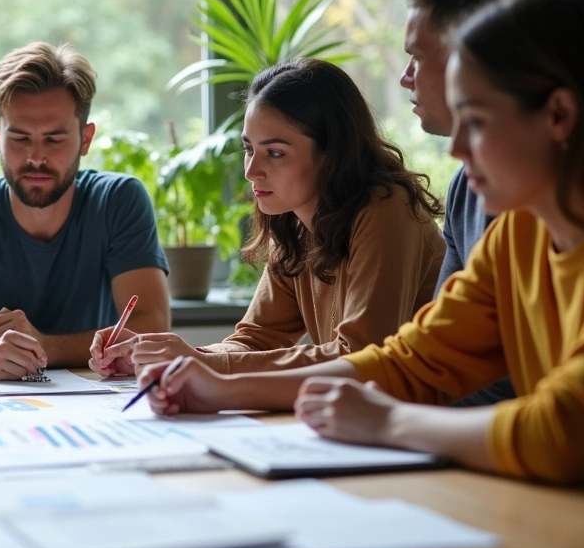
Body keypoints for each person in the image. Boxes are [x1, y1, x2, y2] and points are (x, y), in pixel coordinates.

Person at [139, 0, 584, 489]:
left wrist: (388, 422)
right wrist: (219, 391)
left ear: (559, 116)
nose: (458, 149)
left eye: (478, 122)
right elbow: (411, 361)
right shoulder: (516, 233)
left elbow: (568, 430)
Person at [93, 59, 444, 376]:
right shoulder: (295, 224)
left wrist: (201, 362)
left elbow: (361, 355)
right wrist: (166, 356)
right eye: (249, 148)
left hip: (435, 421)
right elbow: (257, 339)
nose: (250, 170)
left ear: (332, 153)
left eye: (274, 153)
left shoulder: (387, 209)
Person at [0, 42, 171, 380]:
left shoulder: (118, 201)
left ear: (85, 140)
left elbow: (151, 325)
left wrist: (43, 346)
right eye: (20, 138)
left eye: (55, 139)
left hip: (96, 407)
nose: (36, 157)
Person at [399, 0, 557, 405]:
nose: (406, 77)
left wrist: (395, 420)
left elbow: (567, 413)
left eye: (418, 56)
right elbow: (430, 355)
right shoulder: (471, 193)